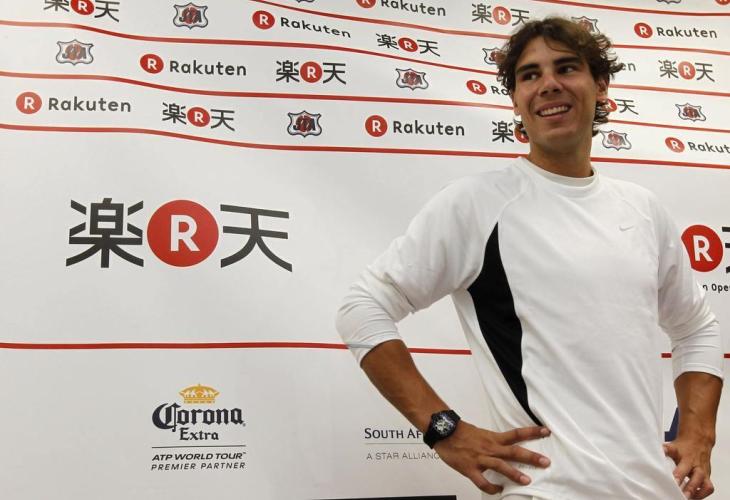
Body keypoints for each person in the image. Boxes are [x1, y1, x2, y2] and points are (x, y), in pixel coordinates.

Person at [336, 17, 724, 500]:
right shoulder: (478, 204)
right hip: (544, 490)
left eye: (567, 68)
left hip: (654, 490)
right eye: (530, 75)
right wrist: (443, 428)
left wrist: (699, 434)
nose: (549, 85)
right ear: (516, 100)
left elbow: (696, 328)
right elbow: (362, 308)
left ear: (601, 86)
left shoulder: (643, 209)